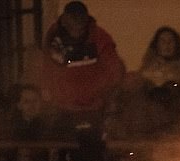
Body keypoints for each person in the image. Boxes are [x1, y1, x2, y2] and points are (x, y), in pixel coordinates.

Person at [41, 1, 124, 134]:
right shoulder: (53, 40)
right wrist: (54, 95)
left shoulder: (100, 38)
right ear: (64, 21)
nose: (76, 33)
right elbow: (48, 70)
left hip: (94, 108)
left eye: (80, 28)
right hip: (62, 108)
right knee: (58, 143)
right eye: (72, 27)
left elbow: (113, 71)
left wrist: (99, 95)